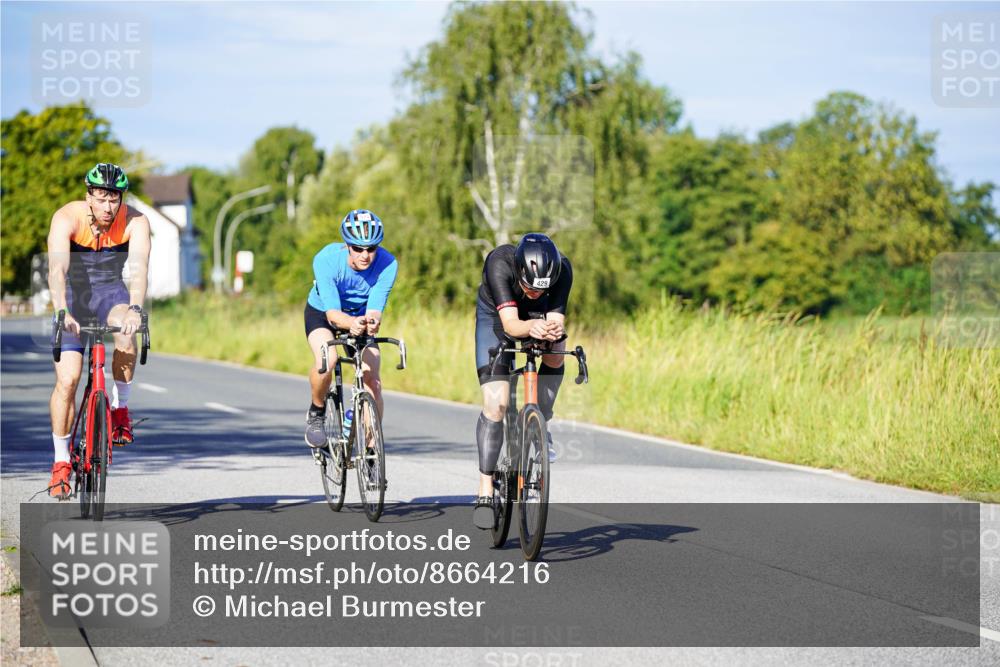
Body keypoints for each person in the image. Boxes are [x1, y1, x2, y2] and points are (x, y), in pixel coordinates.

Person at [46, 163, 151, 498]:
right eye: (101, 198)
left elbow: (139, 270)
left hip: (110, 293)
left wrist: (135, 308)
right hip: (73, 296)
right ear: (88, 196)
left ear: (122, 199)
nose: (108, 206)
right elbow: (57, 269)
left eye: (114, 199)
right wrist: (61, 309)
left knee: (126, 332)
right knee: (68, 379)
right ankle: (61, 462)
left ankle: (120, 410)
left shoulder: (136, 222)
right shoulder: (67, 217)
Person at [472, 233, 573, 529]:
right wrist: (533, 327)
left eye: (541, 289)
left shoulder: (563, 271)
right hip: (498, 319)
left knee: (557, 351)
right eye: (529, 287)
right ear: (519, 271)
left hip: (536, 319)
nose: (534, 292)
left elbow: (556, 321)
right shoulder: (499, 263)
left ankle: (540, 422)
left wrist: (551, 332)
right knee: (497, 404)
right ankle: (485, 487)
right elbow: (512, 325)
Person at [303, 209, 398, 447]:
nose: (365, 255)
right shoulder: (326, 260)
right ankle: (316, 412)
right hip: (323, 313)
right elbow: (333, 315)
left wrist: (372, 322)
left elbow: (375, 309)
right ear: (347, 245)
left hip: (360, 316)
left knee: (373, 380)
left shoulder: (388, 263)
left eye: (371, 248)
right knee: (328, 359)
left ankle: (371, 451)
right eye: (358, 248)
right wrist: (351, 324)